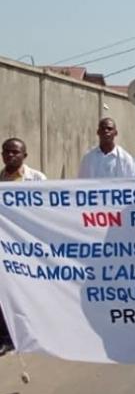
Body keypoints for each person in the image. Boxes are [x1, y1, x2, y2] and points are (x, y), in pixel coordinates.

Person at [0, 137, 47, 355]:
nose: (10, 155)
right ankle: (6, 337)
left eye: (14, 152)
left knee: (28, 290)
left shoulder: (37, 179)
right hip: (4, 248)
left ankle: (35, 330)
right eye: (6, 152)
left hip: (27, 246)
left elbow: (47, 212)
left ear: (24, 156)